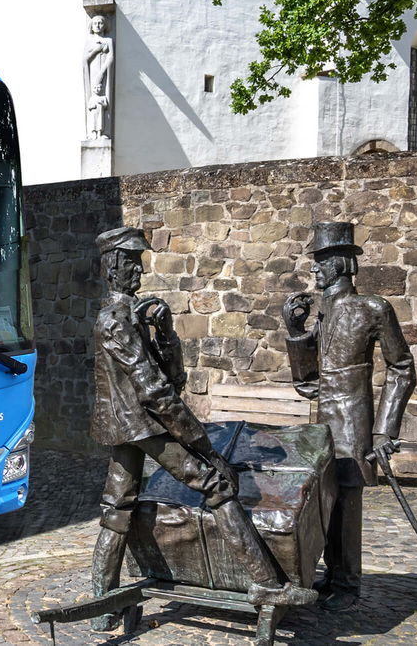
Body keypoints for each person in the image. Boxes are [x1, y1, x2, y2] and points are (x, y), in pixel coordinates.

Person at [89, 227, 315, 631]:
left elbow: (173, 379)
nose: (139, 273)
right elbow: (157, 391)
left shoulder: (131, 318)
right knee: (216, 485)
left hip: (133, 426)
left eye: (138, 264)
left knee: (116, 507)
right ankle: (267, 584)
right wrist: (201, 444)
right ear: (113, 267)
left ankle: (104, 603)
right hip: (144, 425)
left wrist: (167, 332)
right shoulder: (116, 321)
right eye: (131, 264)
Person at [283, 221, 416, 611]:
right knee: (324, 501)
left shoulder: (373, 308)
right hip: (324, 424)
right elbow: (308, 383)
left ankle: (347, 583)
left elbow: (402, 368)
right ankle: (330, 573)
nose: (314, 270)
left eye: (321, 261)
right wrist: (295, 331)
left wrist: (383, 430)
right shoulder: (322, 316)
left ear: (341, 264)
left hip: (355, 422)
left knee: (348, 503)